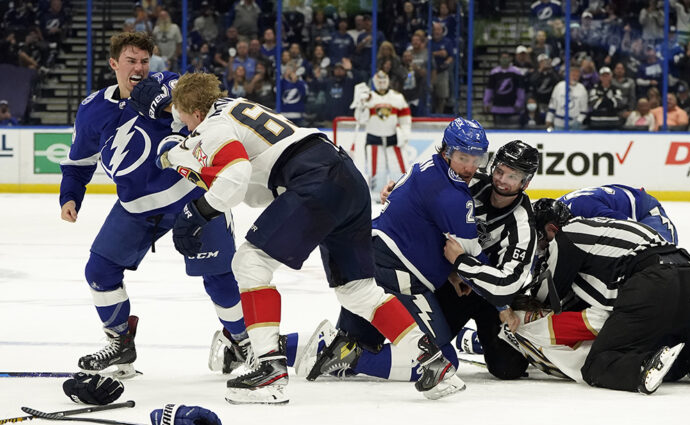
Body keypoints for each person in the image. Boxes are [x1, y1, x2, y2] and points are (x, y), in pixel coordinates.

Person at [163, 73, 467, 403]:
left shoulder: (212, 124)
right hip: (346, 176)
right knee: (358, 290)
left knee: (250, 262)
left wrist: (199, 211)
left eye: (182, 117)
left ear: (193, 111)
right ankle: (432, 362)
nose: (185, 126)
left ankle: (268, 369)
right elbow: (253, 187)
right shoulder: (237, 106)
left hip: (314, 178)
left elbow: (235, 176)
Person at [58, 32, 246, 380]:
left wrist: (163, 101)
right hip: (136, 207)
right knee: (99, 271)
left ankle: (241, 343)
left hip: (193, 197)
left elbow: (193, 105)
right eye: (131, 61)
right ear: (114, 63)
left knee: (219, 277)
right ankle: (119, 341)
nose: (139, 68)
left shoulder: (170, 83)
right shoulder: (92, 109)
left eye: (145, 61)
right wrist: (70, 195)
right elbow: (79, 162)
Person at [303, 140, 539, 383]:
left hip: (490, 300)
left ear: (526, 182)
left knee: (507, 367)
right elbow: (423, 193)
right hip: (451, 285)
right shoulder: (470, 181)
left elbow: (506, 285)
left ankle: (471, 340)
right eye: (499, 170)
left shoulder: (522, 225)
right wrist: (397, 195)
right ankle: (283, 348)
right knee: (374, 337)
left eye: (513, 176)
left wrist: (462, 264)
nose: (502, 179)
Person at [524, 199, 690, 394]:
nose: (538, 247)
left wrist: (517, 300)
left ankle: (640, 367)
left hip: (654, 285)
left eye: (538, 237)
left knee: (598, 364)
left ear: (551, 229)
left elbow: (548, 295)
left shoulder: (567, 235)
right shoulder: (606, 227)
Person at [351, 70, 412, 203]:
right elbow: (360, 119)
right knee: (376, 173)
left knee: (399, 170)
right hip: (374, 140)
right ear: (374, 82)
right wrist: (360, 103)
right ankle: (377, 199)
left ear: (388, 81)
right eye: (379, 81)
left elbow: (405, 119)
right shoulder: (368, 97)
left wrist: (405, 134)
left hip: (394, 140)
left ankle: (400, 196)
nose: (382, 84)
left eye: (384, 81)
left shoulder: (397, 97)